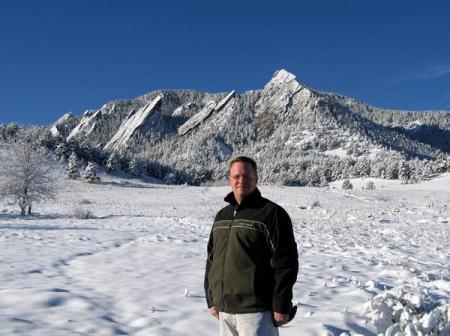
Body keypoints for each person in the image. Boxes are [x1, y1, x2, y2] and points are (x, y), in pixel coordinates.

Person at [204, 156, 298, 335]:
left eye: (247, 177)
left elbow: (286, 263)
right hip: (224, 310)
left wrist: (281, 304)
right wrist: (211, 299)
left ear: (256, 178)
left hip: (256, 311)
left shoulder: (272, 214)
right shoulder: (222, 216)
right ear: (229, 180)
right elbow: (211, 260)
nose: (241, 181)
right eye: (237, 176)